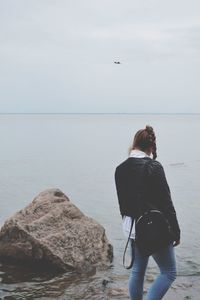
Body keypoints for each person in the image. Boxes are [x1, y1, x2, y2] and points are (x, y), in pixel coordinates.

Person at [115, 125, 180, 300]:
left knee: (137, 272)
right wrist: (176, 231)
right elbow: (166, 203)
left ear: (134, 144)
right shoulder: (154, 167)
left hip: (131, 228)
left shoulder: (120, 169)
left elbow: (123, 205)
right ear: (151, 147)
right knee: (169, 272)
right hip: (154, 228)